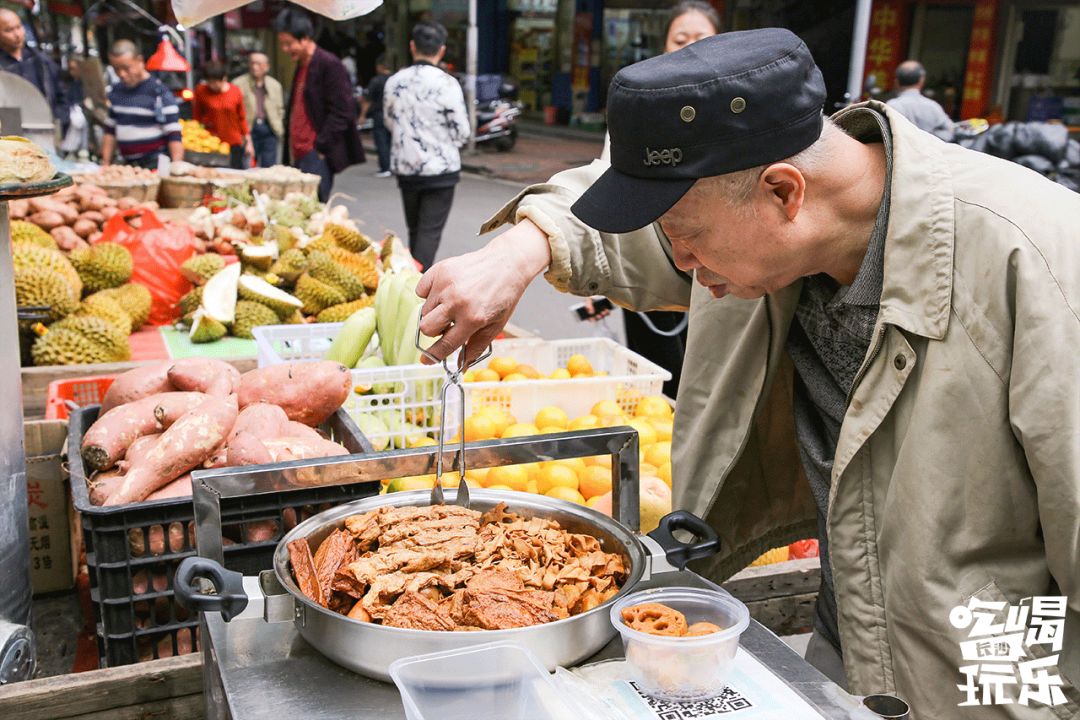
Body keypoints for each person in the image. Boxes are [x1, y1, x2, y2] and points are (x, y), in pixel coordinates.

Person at [417, 30, 1080, 718]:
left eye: (682, 232)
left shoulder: (1039, 269)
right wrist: (523, 249)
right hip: (851, 633)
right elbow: (633, 231)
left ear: (784, 193)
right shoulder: (777, 217)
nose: (676, 257)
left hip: (992, 676)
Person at [595, 0, 721, 398]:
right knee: (658, 374)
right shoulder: (639, 105)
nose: (688, 47)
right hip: (647, 261)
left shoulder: (741, 108)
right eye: (679, 39)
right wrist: (602, 276)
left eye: (700, 38)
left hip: (720, 268)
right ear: (664, 46)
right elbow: (605, 183)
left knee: (710, 378)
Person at [383, 21, 469, 269]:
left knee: (415, 230)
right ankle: (416, 288)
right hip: (441, 171)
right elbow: (462, 131)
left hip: (407, 169)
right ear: (441, 50)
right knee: (429, 233)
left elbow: (390, 122)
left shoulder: (394, 81)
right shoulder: (447, 83)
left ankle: (412, 280)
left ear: (412, 47)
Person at [275, 7, 364, 201]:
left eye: (288, 44)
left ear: (305, 38)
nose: (285, 49)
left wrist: (321, 147)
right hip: (297, 155)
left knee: (312, 212)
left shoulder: (329, 64)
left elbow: (343, 111)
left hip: (314, 155)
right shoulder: (301, 65)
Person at [100, 40, 183, 168]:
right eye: (116, 69)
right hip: (127, 166)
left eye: (127, 68)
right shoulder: (115, 92)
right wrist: (105, 164)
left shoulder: (159, 93)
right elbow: (110, 131)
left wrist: (176, 166)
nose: (122, 74)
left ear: (140, 61)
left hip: (155, 165)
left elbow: (174, 135)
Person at [0, 8, 65, 123]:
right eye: (9, 30)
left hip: (45, 128)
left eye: (19, 27)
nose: (17, 34)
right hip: (12, 133)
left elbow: (61, 95)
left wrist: (59, 121)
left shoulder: (41, 61)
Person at [193, 61, 252, 170]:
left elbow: (242, 118)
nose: (213, 86)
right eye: (210, 82)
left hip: (233, 143)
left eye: (216, 82)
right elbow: (196, 117)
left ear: (224, 78)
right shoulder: (201, 91)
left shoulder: (235, 91)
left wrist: (248, 141)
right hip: (210, 143)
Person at [233, 52, 284, 168]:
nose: (255, 67)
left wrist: (278, 124)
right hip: (248, 129)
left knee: (269, 168)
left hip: (269, 129)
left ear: (267, 66)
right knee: (247, 166)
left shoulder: (275, 85)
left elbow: (280, 109)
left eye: (259, 64)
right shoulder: (238, 84)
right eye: (252, 63)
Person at [886, 60, 955, 142]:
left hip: (899, 154)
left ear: (896, 82)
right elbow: (950, 131)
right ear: (921, 81)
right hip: (929, 153)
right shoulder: (933, 106)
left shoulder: (891, 106)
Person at [359, 55, 391, 178]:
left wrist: (362, 115)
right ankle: (392, 166)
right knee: (391, 141)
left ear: (380, 66)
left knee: (381, 140)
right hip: (393, 114)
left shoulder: (376, 81)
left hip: (379, 114)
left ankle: (385, 167)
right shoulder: (395, 79)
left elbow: (367, 100)